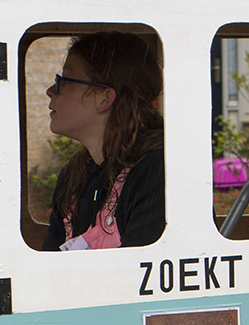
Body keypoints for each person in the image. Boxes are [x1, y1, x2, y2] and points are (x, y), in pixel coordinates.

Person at [41, 31, 166, 251]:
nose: (51, 91)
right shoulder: (73, 176)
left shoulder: (156, 171)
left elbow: (138, 266)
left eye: (64, 81)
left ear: (104, 98)